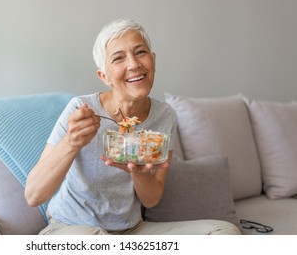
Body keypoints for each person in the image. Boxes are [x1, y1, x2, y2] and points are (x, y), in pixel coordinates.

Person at [25, 19, 240, 235]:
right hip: (72, 228)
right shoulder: (81, 110)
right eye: (119, 58)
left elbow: (152, 198)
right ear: (104, 76)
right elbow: (34, 196)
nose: (134, 64)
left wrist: (138, 173)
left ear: (153, 61)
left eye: (140, 52)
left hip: (132, 231)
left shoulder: (164, 116)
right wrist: (71, 142)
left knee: (224, 232)